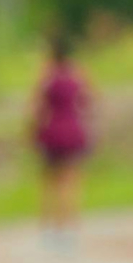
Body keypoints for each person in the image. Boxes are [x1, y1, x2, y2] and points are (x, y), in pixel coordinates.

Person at [31, 36, 92, 244]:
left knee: (48, 182)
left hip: (52, 131)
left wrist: (33, 132)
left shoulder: (46, 75)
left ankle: (48, 229)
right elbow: (88, 102)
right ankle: (69, 229)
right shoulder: (79, 74)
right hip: (73, 131)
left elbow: (36, 107)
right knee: (71, 182)